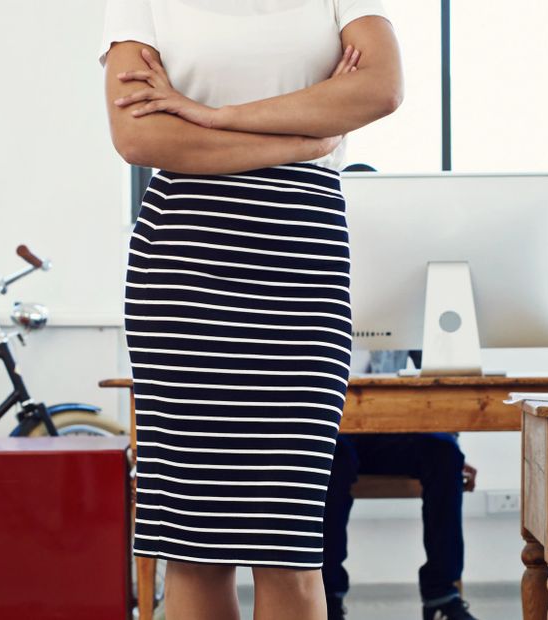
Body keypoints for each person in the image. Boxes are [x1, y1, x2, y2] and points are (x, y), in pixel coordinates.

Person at [101, 1, 401, 618]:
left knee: (288, 551)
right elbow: (139, 135)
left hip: (300, 271)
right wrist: (302, 135)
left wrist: (212, 117)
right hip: (185, 276)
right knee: (194, 552)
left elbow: (380, 88)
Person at [324, 349, 479, 620]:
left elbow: (441, 378)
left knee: (445, 454)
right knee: (333, 459)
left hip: (394, 430)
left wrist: (454, 443)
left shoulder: (409, 310)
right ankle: (327, 598)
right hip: (339, 430)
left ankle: (441, 595)